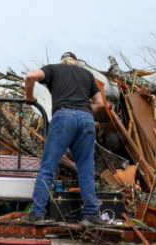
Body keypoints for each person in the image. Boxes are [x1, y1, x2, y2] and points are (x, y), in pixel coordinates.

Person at [22, 51, 105, 226]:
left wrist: (29, 98)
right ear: (76, 62)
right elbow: (99, 103)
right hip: (86, 119)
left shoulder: (54, 69)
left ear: (62, 61)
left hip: (63, 117)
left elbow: (30, 76)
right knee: (86, 168)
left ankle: (37, 214)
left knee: (48, 167)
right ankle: (90, 215)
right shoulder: (87, 75)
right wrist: (84, 113)